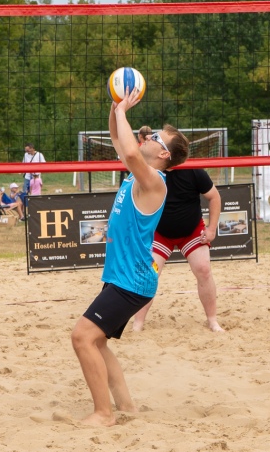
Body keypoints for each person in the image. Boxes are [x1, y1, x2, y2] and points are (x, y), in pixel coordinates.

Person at [70, 91, 188, 427]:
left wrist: (123, 109)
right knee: (98, 342)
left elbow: (133, 153)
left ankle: (103, 413)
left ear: (164, 154)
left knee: (81, 337)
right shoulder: (140, 173)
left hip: (131, 282)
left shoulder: (155, 182)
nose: (147, 137)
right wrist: (114, 107)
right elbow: (118, 141)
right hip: (125, 277)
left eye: (155, 138)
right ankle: (126, 406)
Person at [132, 126, 223, 333]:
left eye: (157, 138)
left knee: (203, 270)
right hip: (159, 232)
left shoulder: (193, 171)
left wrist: (211, 229)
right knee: (149, 274)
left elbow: (214, 197)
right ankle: (138, 323)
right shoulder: (148, 169)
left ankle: (212, 321)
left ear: (167, 154)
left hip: (190, 231)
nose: (152, 138)